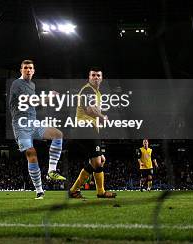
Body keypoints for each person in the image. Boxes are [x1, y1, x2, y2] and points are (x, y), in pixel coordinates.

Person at [8, 59, 65, 200]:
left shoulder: (32, 85)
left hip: (33, 123)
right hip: (21, 125)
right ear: (21, 70)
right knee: (31, 153)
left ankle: (52, 171)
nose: (28, 70)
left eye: (30, 68)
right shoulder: (17, 84)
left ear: (33, 71)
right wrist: (48, 98)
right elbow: (28, 101)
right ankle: (39, 190)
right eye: (25, 67)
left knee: (58, 134)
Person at [68, 67, 117, 199]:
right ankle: (100, 192)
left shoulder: (97, 93)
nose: (96, 77)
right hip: (85, 128)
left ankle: (74, 190)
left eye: (98, 75)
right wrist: (103, 117)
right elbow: (89, 110)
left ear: (101, 78)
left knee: (100, 160)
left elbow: (94, 112)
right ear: (89, 78)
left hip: (91, 128)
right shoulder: (88, 90)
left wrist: (99, 121)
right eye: (93, 75)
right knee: (97, 162)